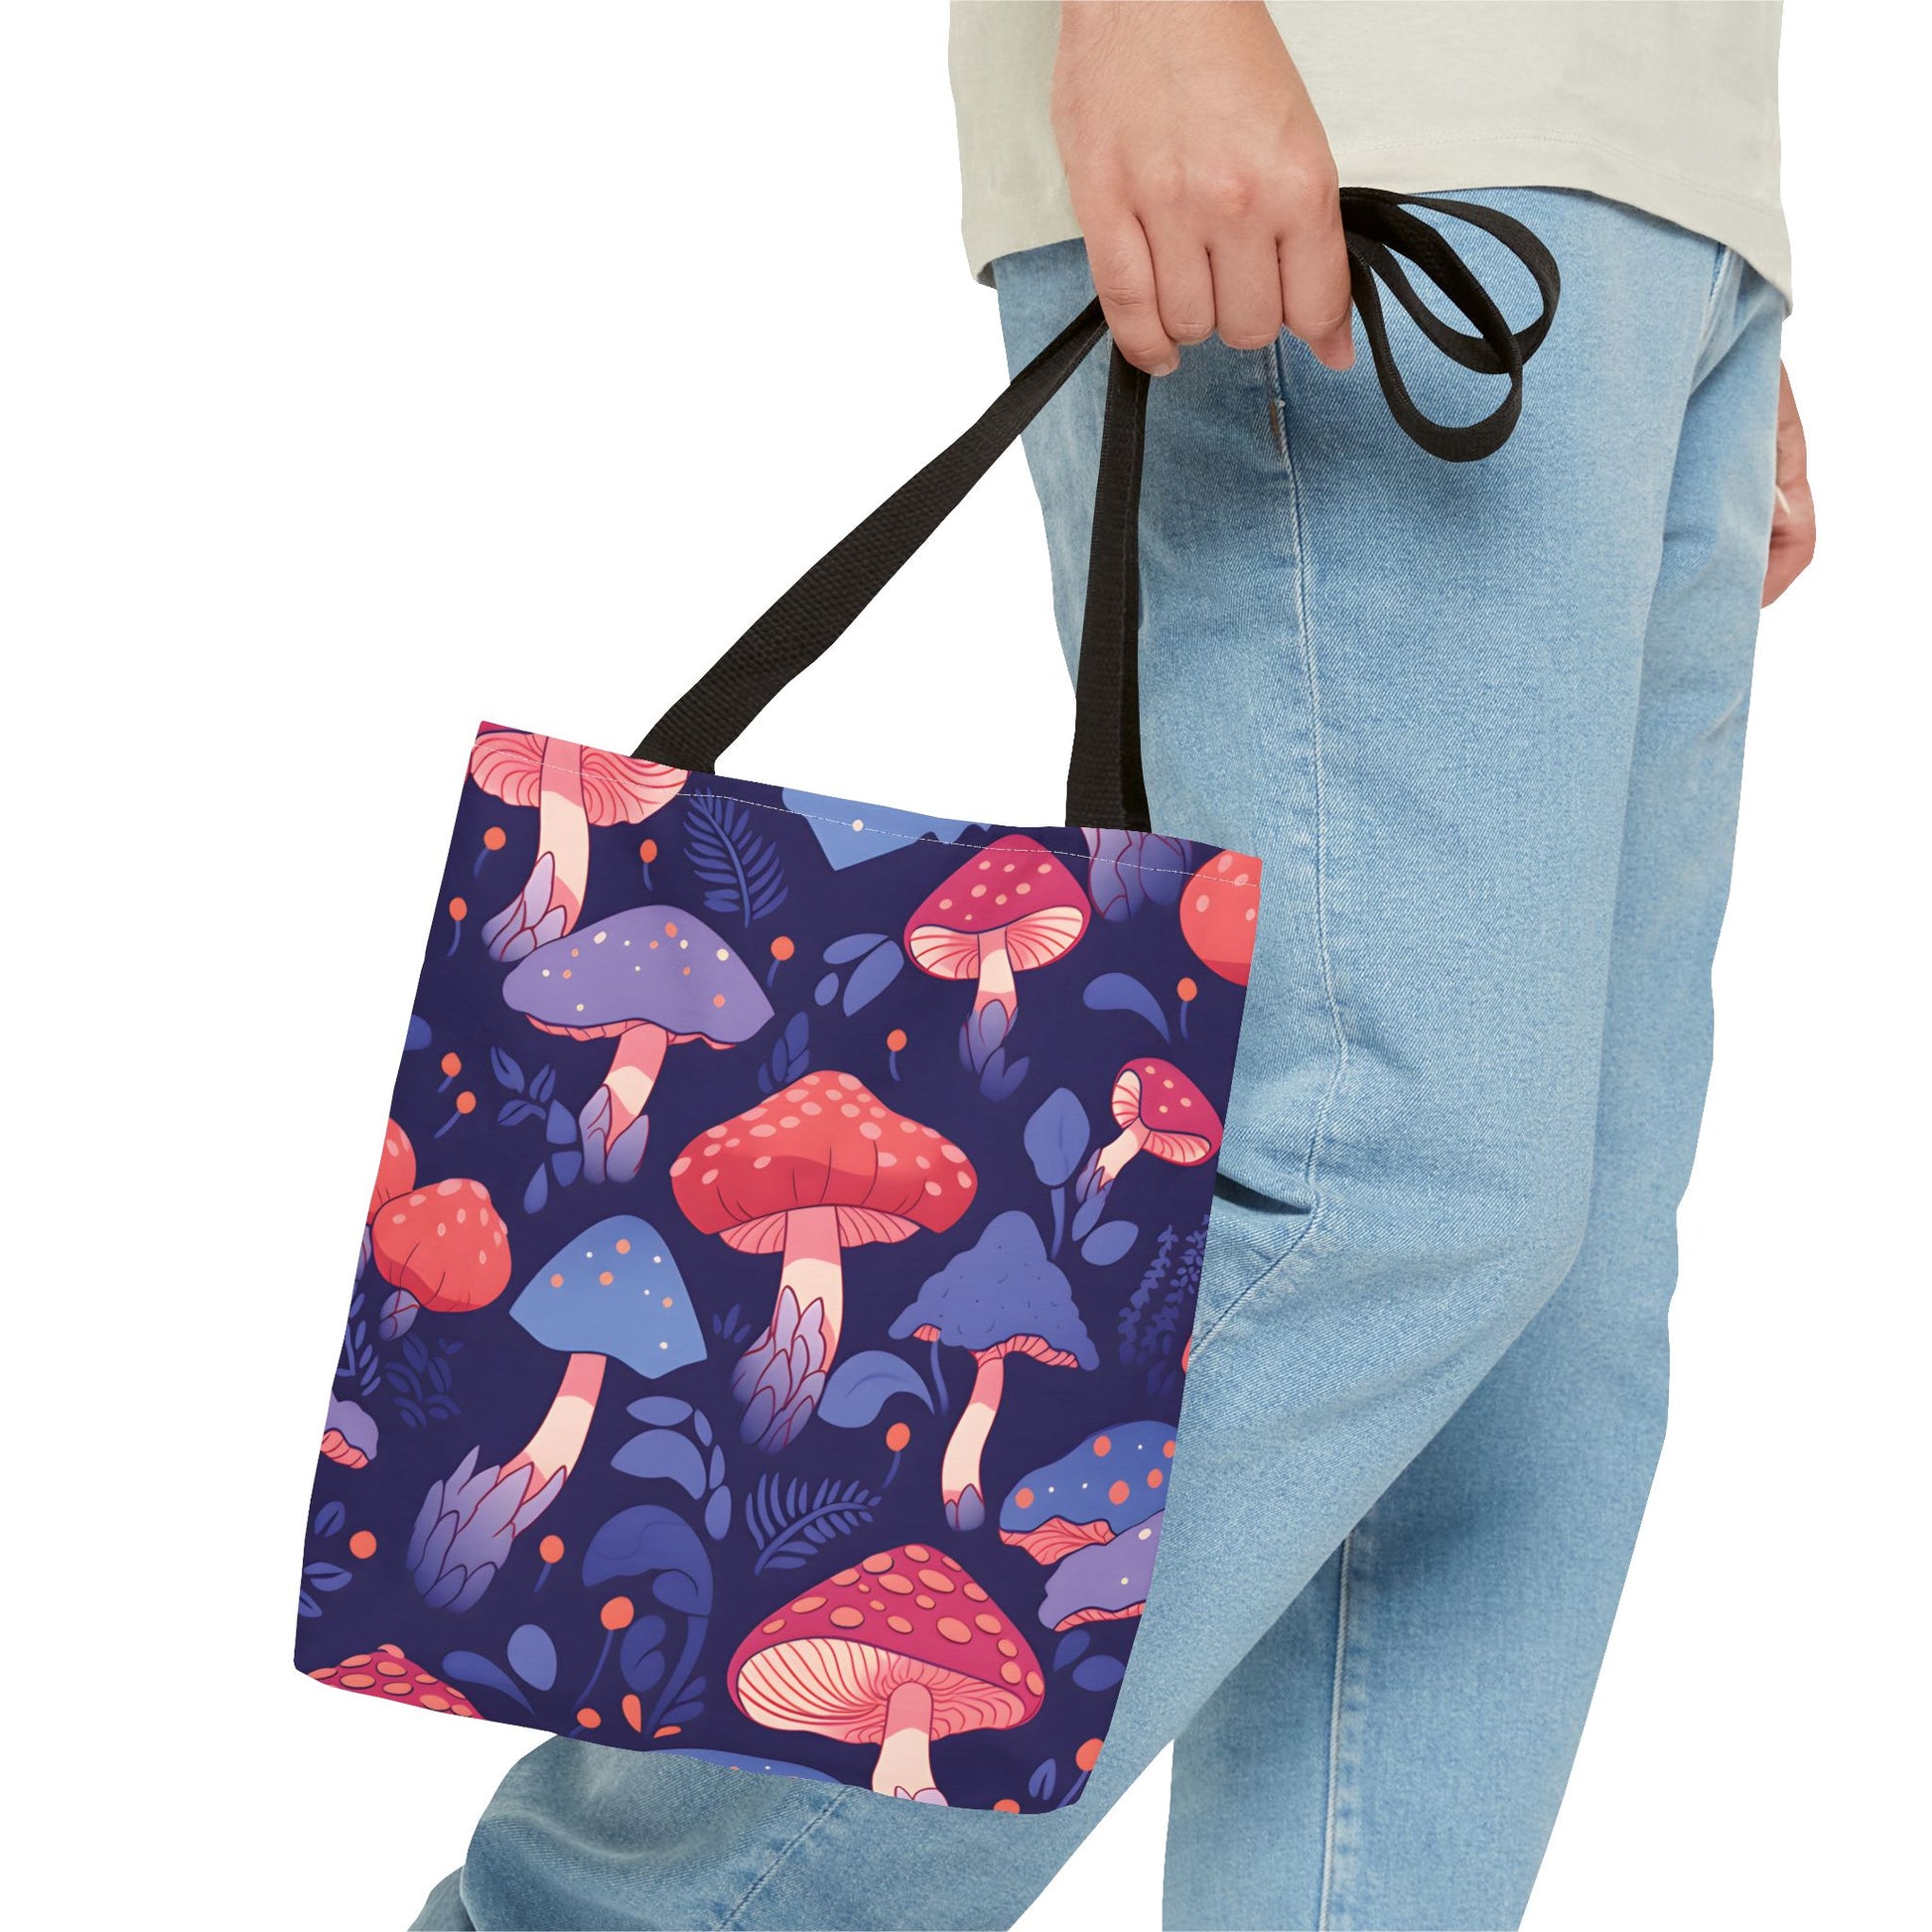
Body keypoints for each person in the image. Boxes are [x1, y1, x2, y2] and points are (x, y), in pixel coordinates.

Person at [415, 4, 1813, 1926]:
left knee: (1534, 1352)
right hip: (1361, 113)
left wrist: (1697, 234)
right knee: (1377, 1184)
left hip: (1642, 190)